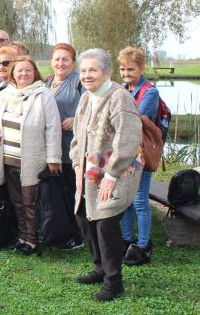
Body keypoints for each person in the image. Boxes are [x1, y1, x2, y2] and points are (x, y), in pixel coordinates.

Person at [70, 48, 142, 302]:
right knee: (83, 217)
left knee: (105, 223)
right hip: (88, 172)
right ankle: (100, 267)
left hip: (117, 173)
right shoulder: (87, 97)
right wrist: (76, 163)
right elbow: (78, 134)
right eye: (84, 70)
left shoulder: (119, 97)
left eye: (93, 70)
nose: (87, 75)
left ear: (107, 72)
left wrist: (112, 175)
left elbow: (129, 137)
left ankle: (114, 281)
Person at [0, 56, 62, 256]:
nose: (23, 74)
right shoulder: (7, 93)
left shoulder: (43, 95)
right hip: (9, 157)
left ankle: (33, 240)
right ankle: (23, 237)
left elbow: (53, 127)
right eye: (19, 70)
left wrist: (53, 158)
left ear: (34, 73)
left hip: (32, 159)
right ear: (13, 73)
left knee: (30, 202)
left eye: (28, 70)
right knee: (17, 201)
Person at [117, 46, 159, 266]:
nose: (126, 74)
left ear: (142, 68)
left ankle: (143, 244)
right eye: (123, 70)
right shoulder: (123, 89)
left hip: (141, 153)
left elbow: (135, 118)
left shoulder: (150, 92)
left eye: (131, 69)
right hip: (124, 151)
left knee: (140, 201)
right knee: (124, 200)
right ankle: (127, 239)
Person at [46, 43, 84, 250]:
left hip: (72, 148)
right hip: (53, 148)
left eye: (65, 59)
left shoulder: (79, 82)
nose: (60, 63)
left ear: (73, 62)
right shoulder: (48, 82)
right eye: (57, 59)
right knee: (59, 194)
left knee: (73, 192)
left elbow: (93, 107)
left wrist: (75, 119)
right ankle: (62, 231)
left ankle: (78, 236)